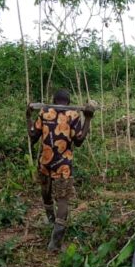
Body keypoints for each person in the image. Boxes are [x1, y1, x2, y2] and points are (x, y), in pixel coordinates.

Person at [26, 89, 94, 251]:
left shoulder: (44, 112)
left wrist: (28, 116)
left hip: (45, 163)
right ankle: (55, 242)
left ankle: (51, 221)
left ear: (53, 100)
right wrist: (88, 119)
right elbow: (78, 140)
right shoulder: (73, 115)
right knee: (62, 201)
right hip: (63, 166)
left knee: (46, 192)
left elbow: (33, 135)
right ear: (68, 102)